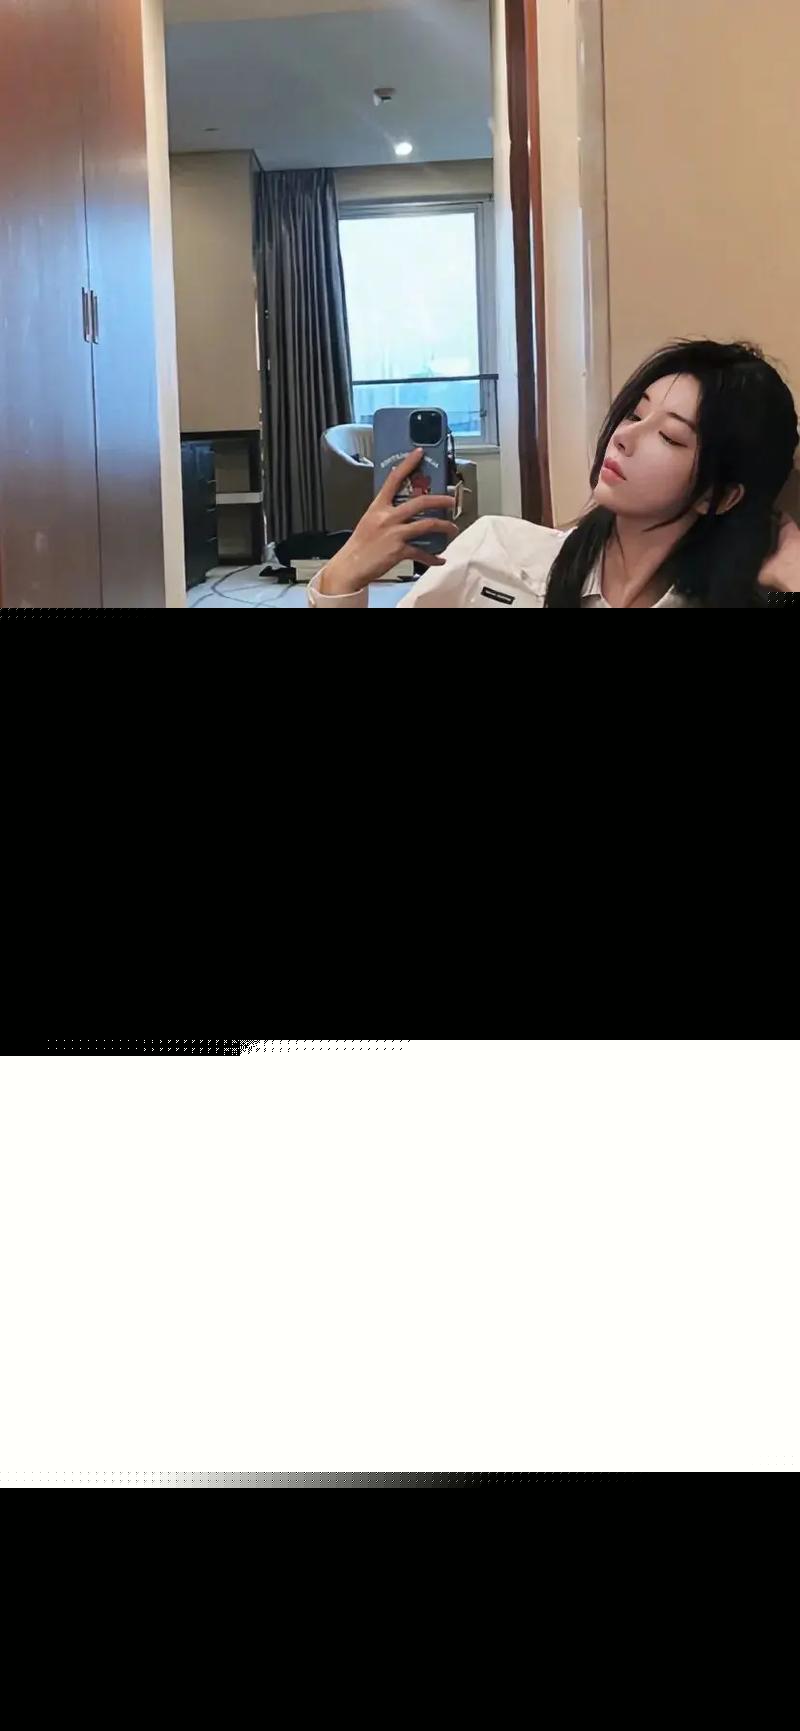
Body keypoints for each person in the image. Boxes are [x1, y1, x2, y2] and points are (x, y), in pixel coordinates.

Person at [307, 340, 800, 609]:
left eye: (670, 437)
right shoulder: (495, 552)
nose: (624, 437)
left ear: (720, 495)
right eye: (635, 413)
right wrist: (340, 579)